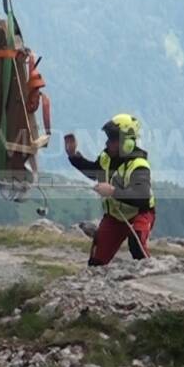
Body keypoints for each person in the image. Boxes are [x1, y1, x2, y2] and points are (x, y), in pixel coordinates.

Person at [66, 113, 155, 266]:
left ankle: (150, 274)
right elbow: (93, 172)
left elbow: (142, 198)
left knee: (136, 243)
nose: (108, 143)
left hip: (140, 213)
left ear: (127, 142)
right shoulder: (106, 157)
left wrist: (113, 192)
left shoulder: (139, 165)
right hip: (115, 216)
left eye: (113, 139)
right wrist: (73, 156)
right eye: (108, 138)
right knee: (96, 262)